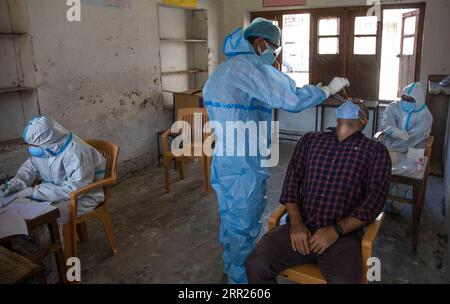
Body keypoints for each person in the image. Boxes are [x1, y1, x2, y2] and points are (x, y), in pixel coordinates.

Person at [203, 17, 350, 284]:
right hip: (242, 164)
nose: (274, 55)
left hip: (225, 158)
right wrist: (326, 90)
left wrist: (313, 90)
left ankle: (232, 267)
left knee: (230, 220)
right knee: (243, 224)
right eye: (274, 48)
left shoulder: (226, 69)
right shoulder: (246, 67)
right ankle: (241, 280)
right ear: (260, 43)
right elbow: (288, 97)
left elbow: (262, 96)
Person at [245, 100, 391, 284]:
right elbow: (291, 183)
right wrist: (297, 223)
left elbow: (374, 203)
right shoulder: (310, 140)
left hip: (342, 237)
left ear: (364, 119)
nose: (350, 102)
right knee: (255, 265)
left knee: (344, 281)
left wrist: (335, 230)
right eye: (348, 100)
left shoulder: (376, 152)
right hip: (300, 228)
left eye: (358, 102)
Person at [1, 116, 106, 225]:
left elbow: (76, 188)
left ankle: (56, 241)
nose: (31, 147)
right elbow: (29, 168)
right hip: (53, 193)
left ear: (48, 140)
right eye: (30, 144)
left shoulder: (75, 151)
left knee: (48, 218)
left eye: (33, 145)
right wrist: (14, 184)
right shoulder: (46, 147)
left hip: (82, 197)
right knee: (21, 210)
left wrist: (35, 192)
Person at [381, 82, 433, 153]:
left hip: (415, 149)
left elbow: (414, 137)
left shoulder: (425, 115)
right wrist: (396, 132)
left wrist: (394, 149)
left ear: (418, 101)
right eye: (403, 98)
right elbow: (386, 123)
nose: (405, 102)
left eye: (409, 100)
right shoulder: (393, 107)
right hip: (390, 145)